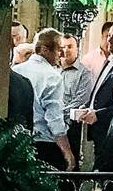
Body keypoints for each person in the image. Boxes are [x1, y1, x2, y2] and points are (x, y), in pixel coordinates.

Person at [12, 28, 75, 171]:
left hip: (16, 141)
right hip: (43, 145)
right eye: (59, 49)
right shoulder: (52, 77)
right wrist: (67, 151)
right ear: (45, 49)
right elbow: (54, 120)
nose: (63, 54)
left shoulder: (16, 71)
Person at [79, 21, 113, 157]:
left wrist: (98, 114)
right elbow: (100, 90)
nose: (109, 40)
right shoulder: (111, 60)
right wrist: (88, 106)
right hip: (97, 129)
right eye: (109, 35)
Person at [60, 34, 93, 165]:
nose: (66, 50)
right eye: (62, 47)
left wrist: (57, 114)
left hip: (71, 127)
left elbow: (81, 100)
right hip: (49, 127)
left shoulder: (84, 73)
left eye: (70, 46)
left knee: (70, 165)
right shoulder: (53, 69)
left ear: (77, 48)